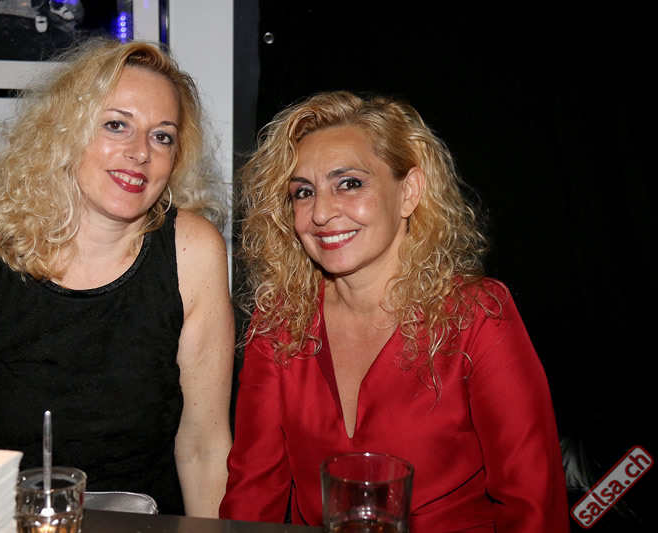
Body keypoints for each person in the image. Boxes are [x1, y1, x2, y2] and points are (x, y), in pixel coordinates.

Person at [0, 39, 234, 518]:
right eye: (116, 125)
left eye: (162, 137)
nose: (140, 152)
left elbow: (203, 449)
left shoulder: (193, 252)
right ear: (64, 132)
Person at [219, 91, 569, 531]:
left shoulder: (476, 315)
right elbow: (252, 500)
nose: (321, 213)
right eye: (303, 192)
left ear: (409, 192)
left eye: (349, 183)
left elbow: (533, 507)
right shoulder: (279, 325)